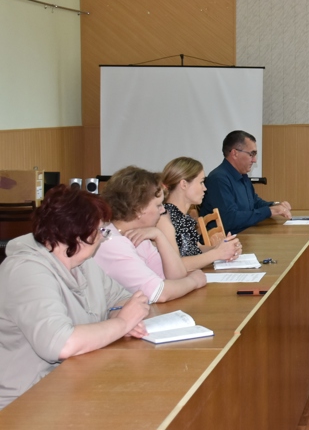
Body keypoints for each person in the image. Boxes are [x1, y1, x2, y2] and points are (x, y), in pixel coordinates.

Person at [0, 186, 149, 410]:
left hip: (74, 384)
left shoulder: (82, 263)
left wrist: (120, 315)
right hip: (27, 402)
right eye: (99, 231)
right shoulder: (26, 271)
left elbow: (124, 299)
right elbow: (61, 344)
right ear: (78, 234)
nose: (101, 237)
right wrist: (122, 323)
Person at [95, 166, 207, 303]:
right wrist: (194, 281)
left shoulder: (140, 235)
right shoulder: (111, 241)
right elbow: (160, 293)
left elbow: (177, 277)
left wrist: (159, 236)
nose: (163, 210)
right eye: (158, 205)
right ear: (138, 209)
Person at [158, 157, 242, 271]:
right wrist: (217, 253)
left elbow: (196, 249)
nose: (205, 188)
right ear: (184, 184)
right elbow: (176, 265)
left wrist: (222, 249)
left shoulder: (182, 216)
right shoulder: (164, 220)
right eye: (201, 182)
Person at [200, 130, 292, 233]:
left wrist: (275, 205)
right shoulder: (218, 179)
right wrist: (269, 211)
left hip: (244, 236)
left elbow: (255, 203)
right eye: (251, 154)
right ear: (235, 153)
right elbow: (229, 219)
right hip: (224, 243)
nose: (255, 160)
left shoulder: (242, 175)